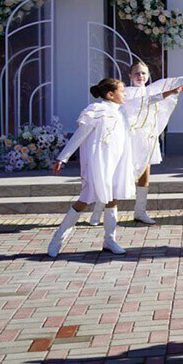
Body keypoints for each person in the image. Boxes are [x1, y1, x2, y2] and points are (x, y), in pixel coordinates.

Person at [87, 62, 183, 226]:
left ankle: (140, 212)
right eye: (136, 74)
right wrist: (171, 92)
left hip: (147, 138)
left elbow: (174, 80)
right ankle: (97, 214)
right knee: (116, 177)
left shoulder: (153, 88)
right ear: (130, 76)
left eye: (143, 74)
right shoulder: (125, 92)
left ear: (148, 75)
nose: (140, 77)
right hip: (128, 139)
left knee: (144, 177)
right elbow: (144, 102)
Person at [47, 79, 136, 257]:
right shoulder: (95, 111)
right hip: (99, 162)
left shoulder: (122, 112)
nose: (125, 94)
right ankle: (57, 239)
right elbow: (79, 137)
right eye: (122, 91)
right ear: (111, 94)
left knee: (113, 198)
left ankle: (110, 240)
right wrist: (62, 157)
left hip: (117, 162)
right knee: (85, 200)